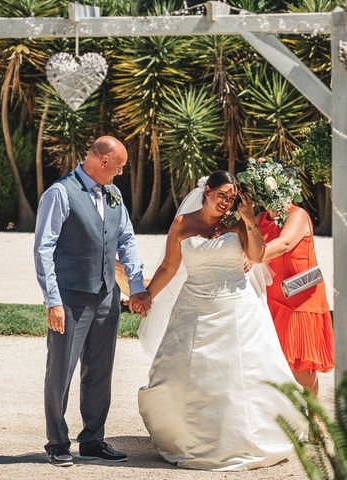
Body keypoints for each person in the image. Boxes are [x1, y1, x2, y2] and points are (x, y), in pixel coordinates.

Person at [137, 171, 305, 471]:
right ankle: (189, 438)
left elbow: (257, 255)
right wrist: (148, 295)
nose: (226, 202)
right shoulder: (183, 223)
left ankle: (245, 439)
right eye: (221, 195)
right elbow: (169, 266)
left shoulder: (238, 223)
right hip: (193, 307)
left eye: (231, 197)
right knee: (190, 374)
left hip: (237, 307)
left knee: (240, 373)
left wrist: (250, 219)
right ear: (207, 191)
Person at [34, 136, 151, 467]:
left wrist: (136, 287)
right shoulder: (60, 193)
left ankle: (92, 440)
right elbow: (44, 248)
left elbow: (126, 239)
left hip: (106, 296)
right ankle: (57, 441)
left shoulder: (114, 195)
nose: (120, 173)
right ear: (102, 161)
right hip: (70, 298)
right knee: (61, 370)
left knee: (100, 370)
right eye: (119, 166)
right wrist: (52, 301)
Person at [256, 204, 334, 398]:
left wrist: (251, 256)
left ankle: (314, 417)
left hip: (299, 298)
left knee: (301, 368)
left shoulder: (297, 215)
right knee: (272, 360)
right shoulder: (260, 219)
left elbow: (284, 244)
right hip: (272, 298)